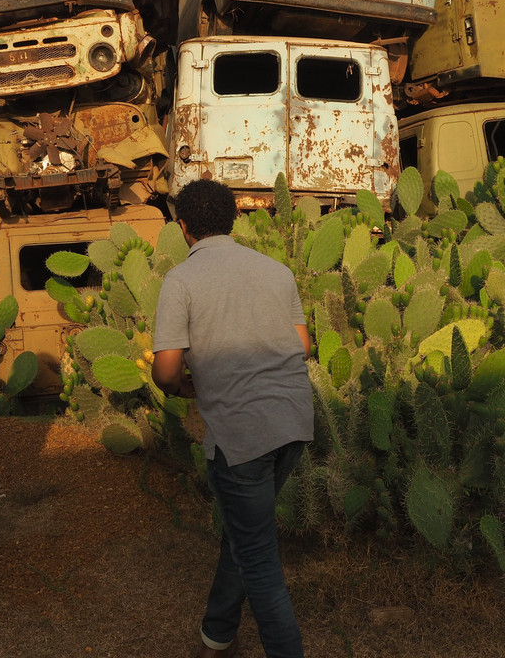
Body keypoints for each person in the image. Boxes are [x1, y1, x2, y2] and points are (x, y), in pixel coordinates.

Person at [152, 179, 313, 658]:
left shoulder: (181, 280)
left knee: (260, 561)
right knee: (247, 535)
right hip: (293, 422)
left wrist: (182, 386)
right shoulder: (276, 270)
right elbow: (302, 346)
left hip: (241, 437)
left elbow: (165, 370)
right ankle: (217, 636)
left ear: (183, 228)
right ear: (234, 220)